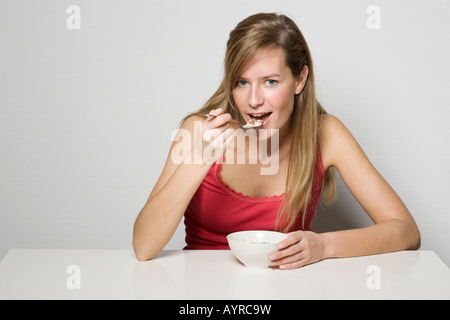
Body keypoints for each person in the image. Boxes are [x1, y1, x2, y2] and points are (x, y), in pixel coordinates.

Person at [133, 13, 420, 269]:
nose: (254, 100)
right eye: (242, 82)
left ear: (299, 80)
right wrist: (198, 159)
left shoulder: (327, 133)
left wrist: (323, 246)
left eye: (270, 82)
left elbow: (406, 231)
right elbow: (143, 247)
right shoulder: (199, 130)